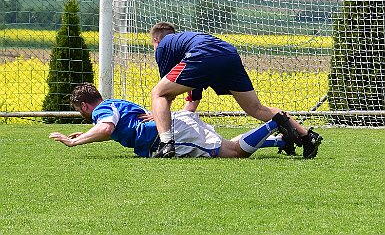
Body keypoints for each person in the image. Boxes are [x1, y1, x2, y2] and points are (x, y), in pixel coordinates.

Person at [150, 22, 323, 158]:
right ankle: (307, 136)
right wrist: (185, 115)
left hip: (203, 54)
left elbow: (166, 94)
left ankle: (166, 144)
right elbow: (194, 94)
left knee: (158, 93)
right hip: (228, 53)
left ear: (156, 40)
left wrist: (159, 116)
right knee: (256, 109)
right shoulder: (185, 41)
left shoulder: (164, 45)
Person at [49, 83, 312, 159]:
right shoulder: (114, 103)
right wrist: (82, 134)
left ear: (85, 106)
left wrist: (76, 143)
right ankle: (279, 142)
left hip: (168, 135)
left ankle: (274, 122)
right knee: (228, 144)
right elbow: (108, 128)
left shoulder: (101, 112)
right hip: (175, 125)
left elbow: (105, 127)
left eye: (80, 111)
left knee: (233, 152)